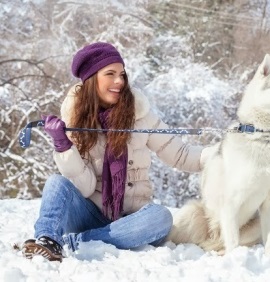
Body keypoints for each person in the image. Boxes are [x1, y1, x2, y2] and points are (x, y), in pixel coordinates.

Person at [22, 42, 208, 262]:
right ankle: (47, 239)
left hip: (132, 220)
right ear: (91, 79)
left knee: (161, 217)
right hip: (89, 213)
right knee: (56, 183)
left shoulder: (140, 114)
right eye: (110, 74)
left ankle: (76, 242)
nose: (119, 81)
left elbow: (180, 153)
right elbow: (85, 186)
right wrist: (64, 147)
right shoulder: (76, 120)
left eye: (121, 73)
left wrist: (220, 155)